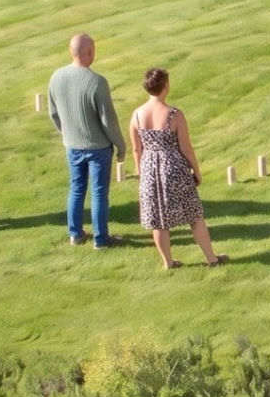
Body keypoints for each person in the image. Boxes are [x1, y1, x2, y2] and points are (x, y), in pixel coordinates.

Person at [128, 67, 224, 270]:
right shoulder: (174, 114)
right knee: (194, 215)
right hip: (174, 168)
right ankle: (211, 259)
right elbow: (186, 148)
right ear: (165, 86)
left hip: (149, 170)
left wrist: (140, 172)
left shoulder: (136, 115)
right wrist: (196, 171)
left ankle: (168, 262)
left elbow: (136, 149)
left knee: (158, 220)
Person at [47, 32, 128, 247]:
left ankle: (75, 234)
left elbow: (53, 113)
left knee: (76, 188)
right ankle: (101, 239)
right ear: (90, 52)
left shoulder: (56, 77)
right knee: (99, 192)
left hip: (72, 146)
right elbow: (108, 121)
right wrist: (121, 145)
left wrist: (66, 133)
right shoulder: (97, 82)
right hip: (98, 147)